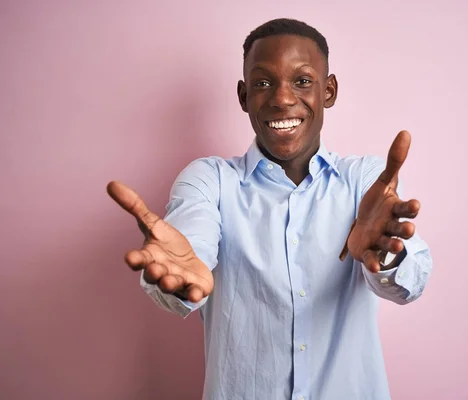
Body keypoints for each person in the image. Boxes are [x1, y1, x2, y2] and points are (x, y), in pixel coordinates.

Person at [107, 18, 433, 400]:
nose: (281, 98)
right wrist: (180, 277)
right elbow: (188, 248)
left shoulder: (367, 182)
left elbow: (411, 283)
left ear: (328, 91)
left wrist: (386, 256)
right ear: (244, 96)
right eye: (263, 83)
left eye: (302, 81)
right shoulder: (209, 180)